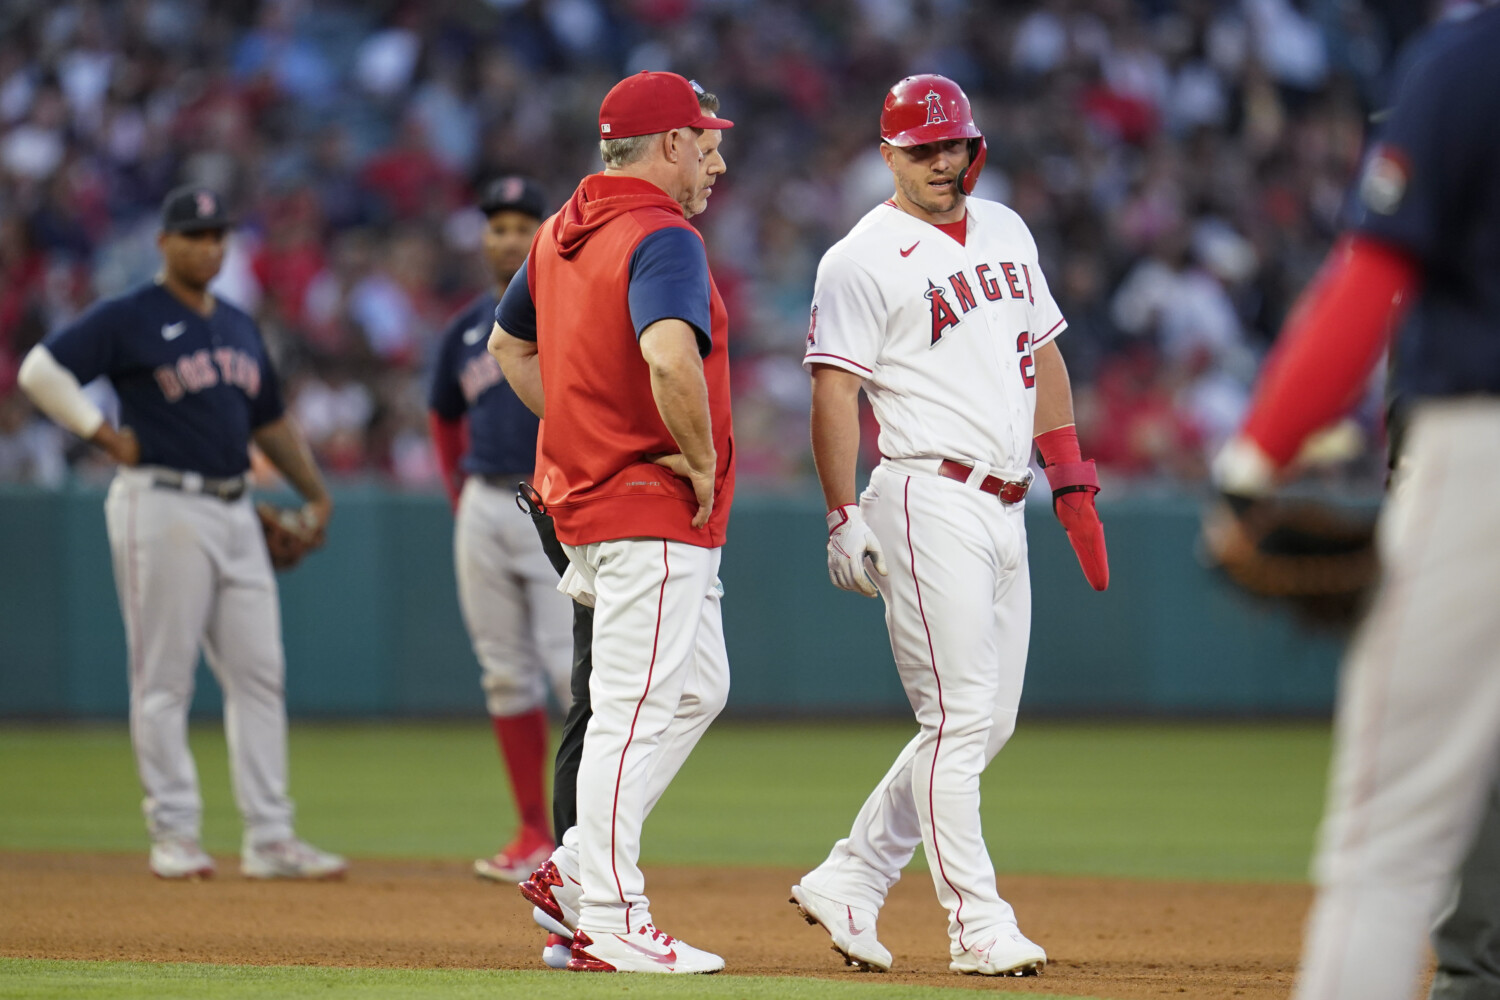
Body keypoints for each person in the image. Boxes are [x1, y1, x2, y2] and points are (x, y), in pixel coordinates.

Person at [1210, 6, 1500, 998]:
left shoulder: (1468, 63)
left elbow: (1368, 278)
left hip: (1478, 451)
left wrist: (1254, 459)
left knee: (1389, 847)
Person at [792, 74, 1108, 977]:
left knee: (984, 722)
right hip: (926, 494)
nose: (942, 161)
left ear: (976, 147)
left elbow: (1042, 354)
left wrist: (1071, 479)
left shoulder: (1007, 227)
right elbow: (834, 391)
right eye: (922, 148)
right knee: (959, 716)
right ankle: (977, 923)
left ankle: (852, 875)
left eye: (954, 145)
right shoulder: (859, 257)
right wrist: (842, 510)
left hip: (1009, 501)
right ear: (888, 154)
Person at [16, 186, 346, 881]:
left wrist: (314, 492)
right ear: (164, 243)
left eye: (218, 236)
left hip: (235, 507)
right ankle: (173, 830)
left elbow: (270, 420)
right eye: (194, 235)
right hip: (159, 503)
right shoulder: (130, 314)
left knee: (261, 674)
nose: (209, 247)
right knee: (163, 677)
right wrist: (100, 432)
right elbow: (39, 370)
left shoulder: (236, 322)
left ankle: (270, 835)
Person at [488, 71, 735, 974]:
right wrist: (699, 461)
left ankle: (577, 869)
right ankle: (616, 919)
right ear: (668, 143)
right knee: (629, 714)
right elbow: (670, 357)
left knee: (697, 687)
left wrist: (580, 431)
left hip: (588, 502)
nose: (716, 157)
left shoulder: (561, 228)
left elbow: (506, 344)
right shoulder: (663, 233)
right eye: (705, 141)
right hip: (646, 507)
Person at [427, 176, 573, 884]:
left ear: (542, 234)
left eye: (522, 225)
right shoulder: (461, 327)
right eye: (496, 227)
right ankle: (530, 832)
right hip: (484, 501)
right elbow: (441, 414)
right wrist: (457, 494)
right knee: (505, 674)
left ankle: (588, 838)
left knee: (571, 672)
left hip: (552, 502)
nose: (509, 238)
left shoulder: (569, 307)